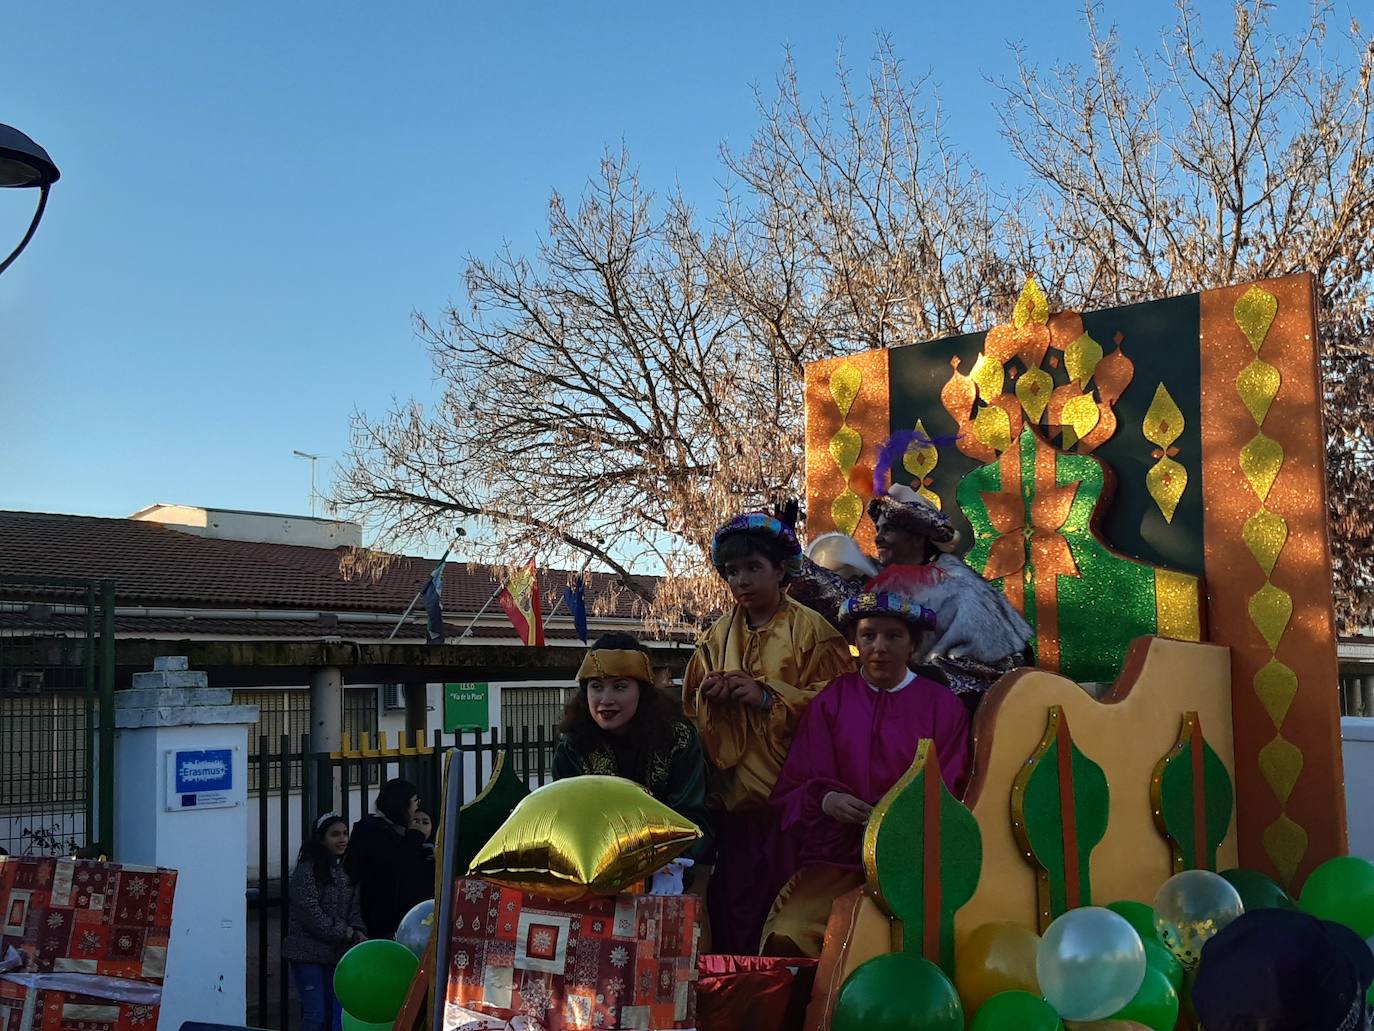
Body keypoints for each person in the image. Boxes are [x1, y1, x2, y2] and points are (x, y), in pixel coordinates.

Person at [761, 590, 972, 958]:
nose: (879, 646)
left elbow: (954, 786)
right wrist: (827, 800)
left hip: (915, 864)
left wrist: (902, 820)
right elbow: (795, 784)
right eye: (868, 635)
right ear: (854, 641)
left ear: (913, 645)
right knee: (790, 933)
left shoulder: (943, 707)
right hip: (836, 861)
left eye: (893, 636)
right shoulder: (831, 701)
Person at [683, 512, 855, 955]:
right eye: (732, 571)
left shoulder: (813, 631)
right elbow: (690, 707)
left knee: (789, 917)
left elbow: (841, 702)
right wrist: (712, 696)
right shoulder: (715, 637)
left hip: (795, 808)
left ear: (781, 571)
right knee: (735, 911)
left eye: (753, 568)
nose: (741, 580)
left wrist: (768, 697)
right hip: (738, 807)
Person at [553, 632, 713, 864]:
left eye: (619, 687)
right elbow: (566, 821)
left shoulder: (677, 738)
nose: (605, 699)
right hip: (594, 866)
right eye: (596, 686)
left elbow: (693, 816)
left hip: (670, 869)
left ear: (642, 691)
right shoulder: (573, 746)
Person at [282, 814, 366, 1031]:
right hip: (307, 953)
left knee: (337, 1016)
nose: (342, 839)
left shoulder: (348, 869)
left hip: (339, 955)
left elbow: (355, 908)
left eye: (345, 834)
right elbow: (310, 913)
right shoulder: (307, 871)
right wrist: (344, 931)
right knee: (315, 1015)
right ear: (321, 839)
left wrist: (357, 931)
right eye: (335, 835)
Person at [345, 778, 432, 939]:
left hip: (403, 918)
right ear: (402, 804)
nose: (417, 806)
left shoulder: (395, 831)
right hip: (381, 921)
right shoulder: (373, 832)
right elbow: (399, 866)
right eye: (414, 801)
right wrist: (415, 837)